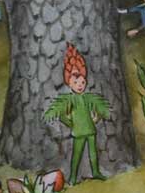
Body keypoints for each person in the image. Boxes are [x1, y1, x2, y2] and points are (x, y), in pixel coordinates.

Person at [44, 45, 111, 182]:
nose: (80, 85)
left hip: (90, 129)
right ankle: (73, 176)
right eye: (76, 82)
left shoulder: (87, 98)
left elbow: (97, 110)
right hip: (78, 131)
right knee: (77, 154)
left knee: (93, 153)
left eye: (82, 82)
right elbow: (62, 116)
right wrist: (72, 124)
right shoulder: (70, 99)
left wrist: (95, 119)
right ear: (69, 83)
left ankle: (96, 171)